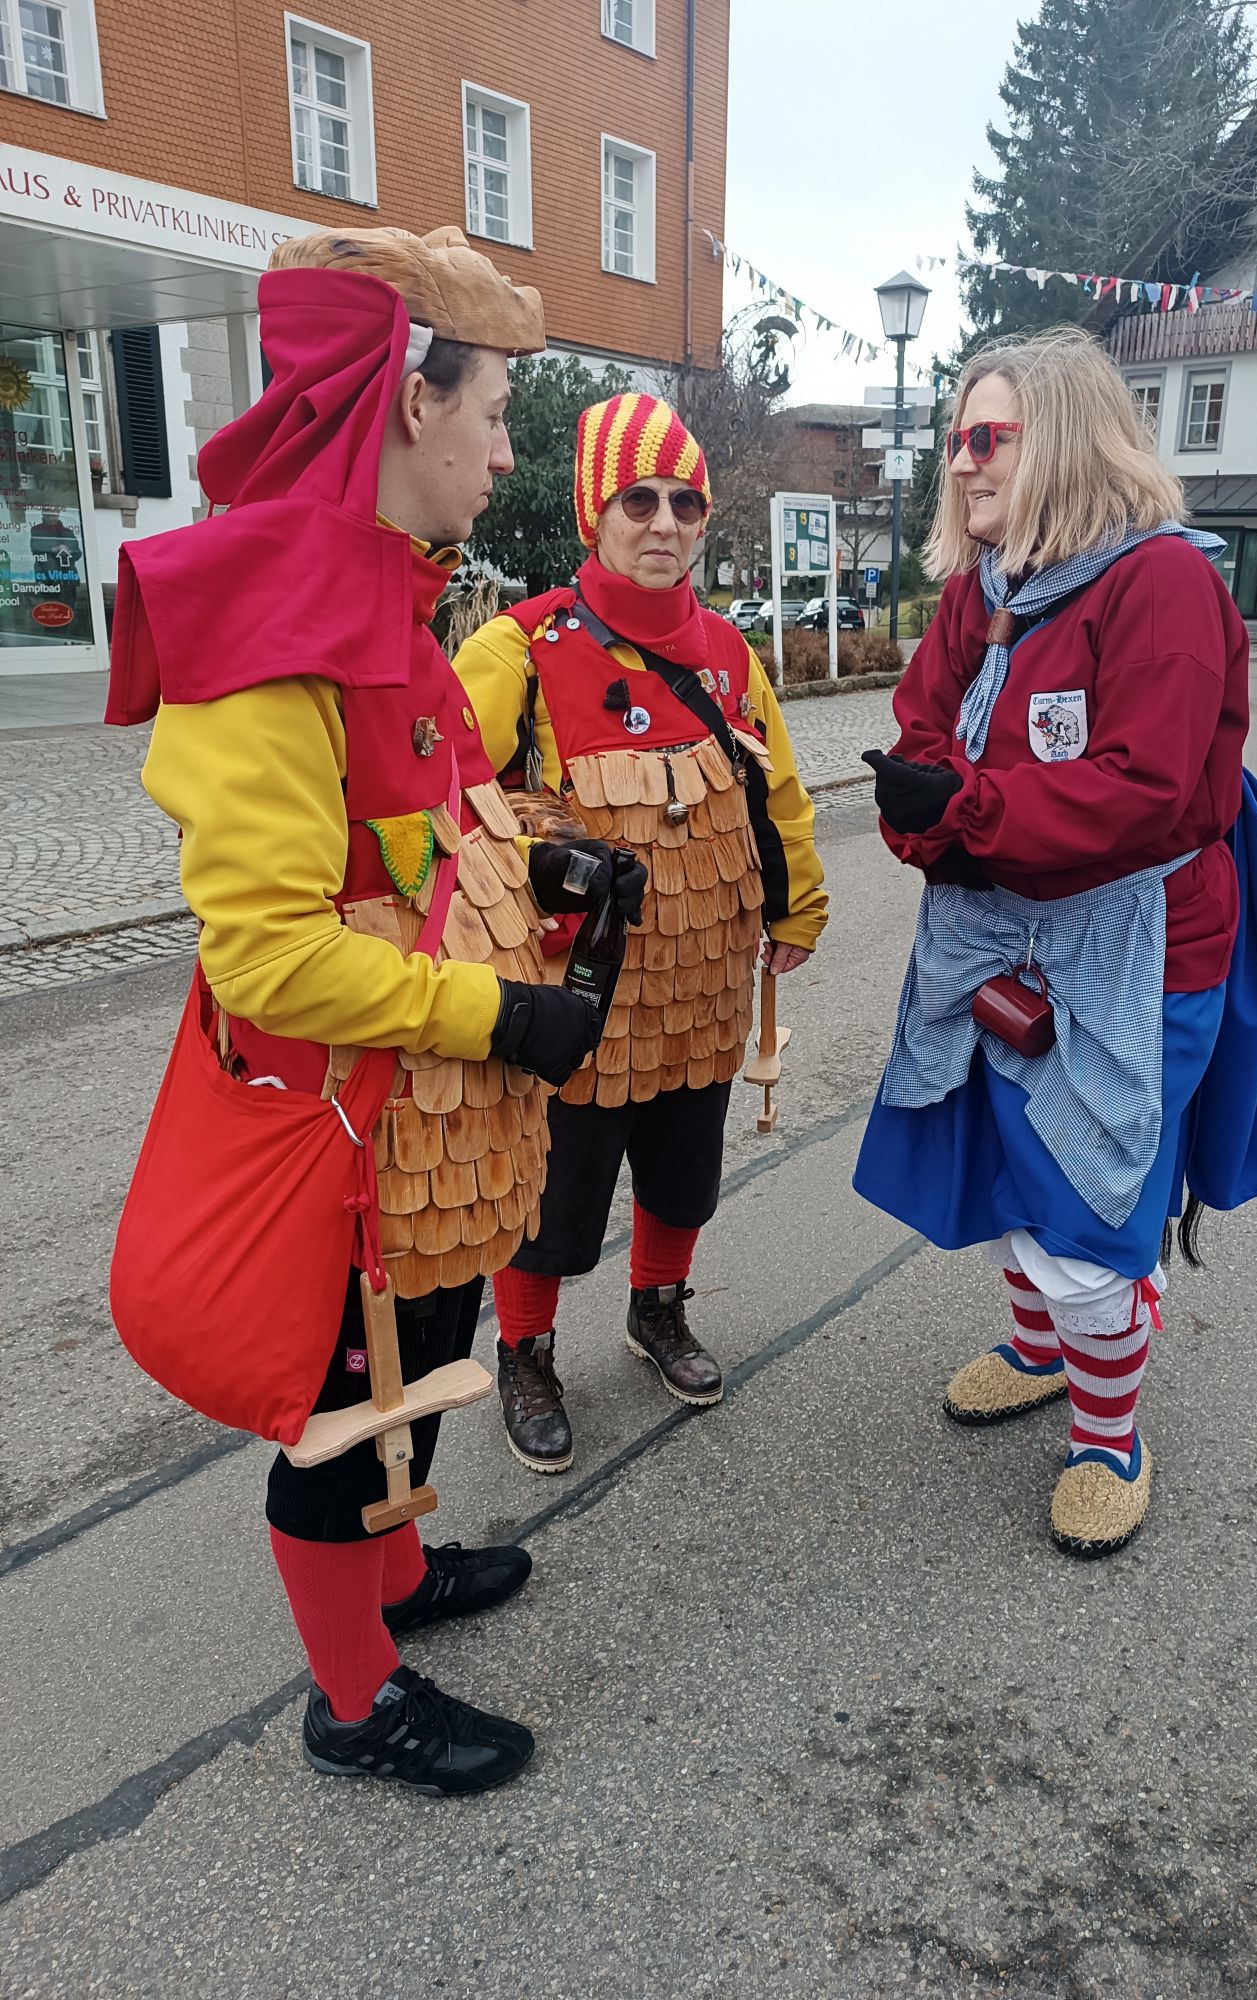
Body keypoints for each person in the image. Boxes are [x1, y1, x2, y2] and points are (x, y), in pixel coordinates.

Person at [107, 225, 623, 1793]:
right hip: (338, 1138)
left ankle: (397, 1576)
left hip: (420, 1131)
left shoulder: (390, 605)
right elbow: (266, 955)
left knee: (427, 1351)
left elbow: (423, 837)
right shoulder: (275, 636)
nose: (507, 452)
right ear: (413, 401)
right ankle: (354, 1698)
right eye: (496, 415)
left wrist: (543, 859)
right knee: (342, 1416)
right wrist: (500, 1018)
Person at [855, 328, 1257, 1557]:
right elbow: (924, 726)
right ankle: (1039, 1348)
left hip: (1134, 950)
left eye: (987, 437)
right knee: (1014, 1167)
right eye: (956, 439)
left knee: (1091, 1200)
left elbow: (1146, 790)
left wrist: (965, 810)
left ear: (1062, 439)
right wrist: (925, 810)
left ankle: (1110, 1438)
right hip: (996, 932)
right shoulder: (984, 586)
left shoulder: (1160, 583)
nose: (962, 461)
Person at [452, 393, 828, 1473]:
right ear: (594, 512)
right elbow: (447, 805)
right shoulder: (518, 649)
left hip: (703, 983)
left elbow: (777, 797)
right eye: (638, 499)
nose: (664, 522)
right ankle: (526, 1351)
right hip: (575, 995)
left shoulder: (730, 656)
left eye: (684, 502)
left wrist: (797, 905)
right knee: (552, 1192)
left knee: (682, 1169)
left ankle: (657, 1307)